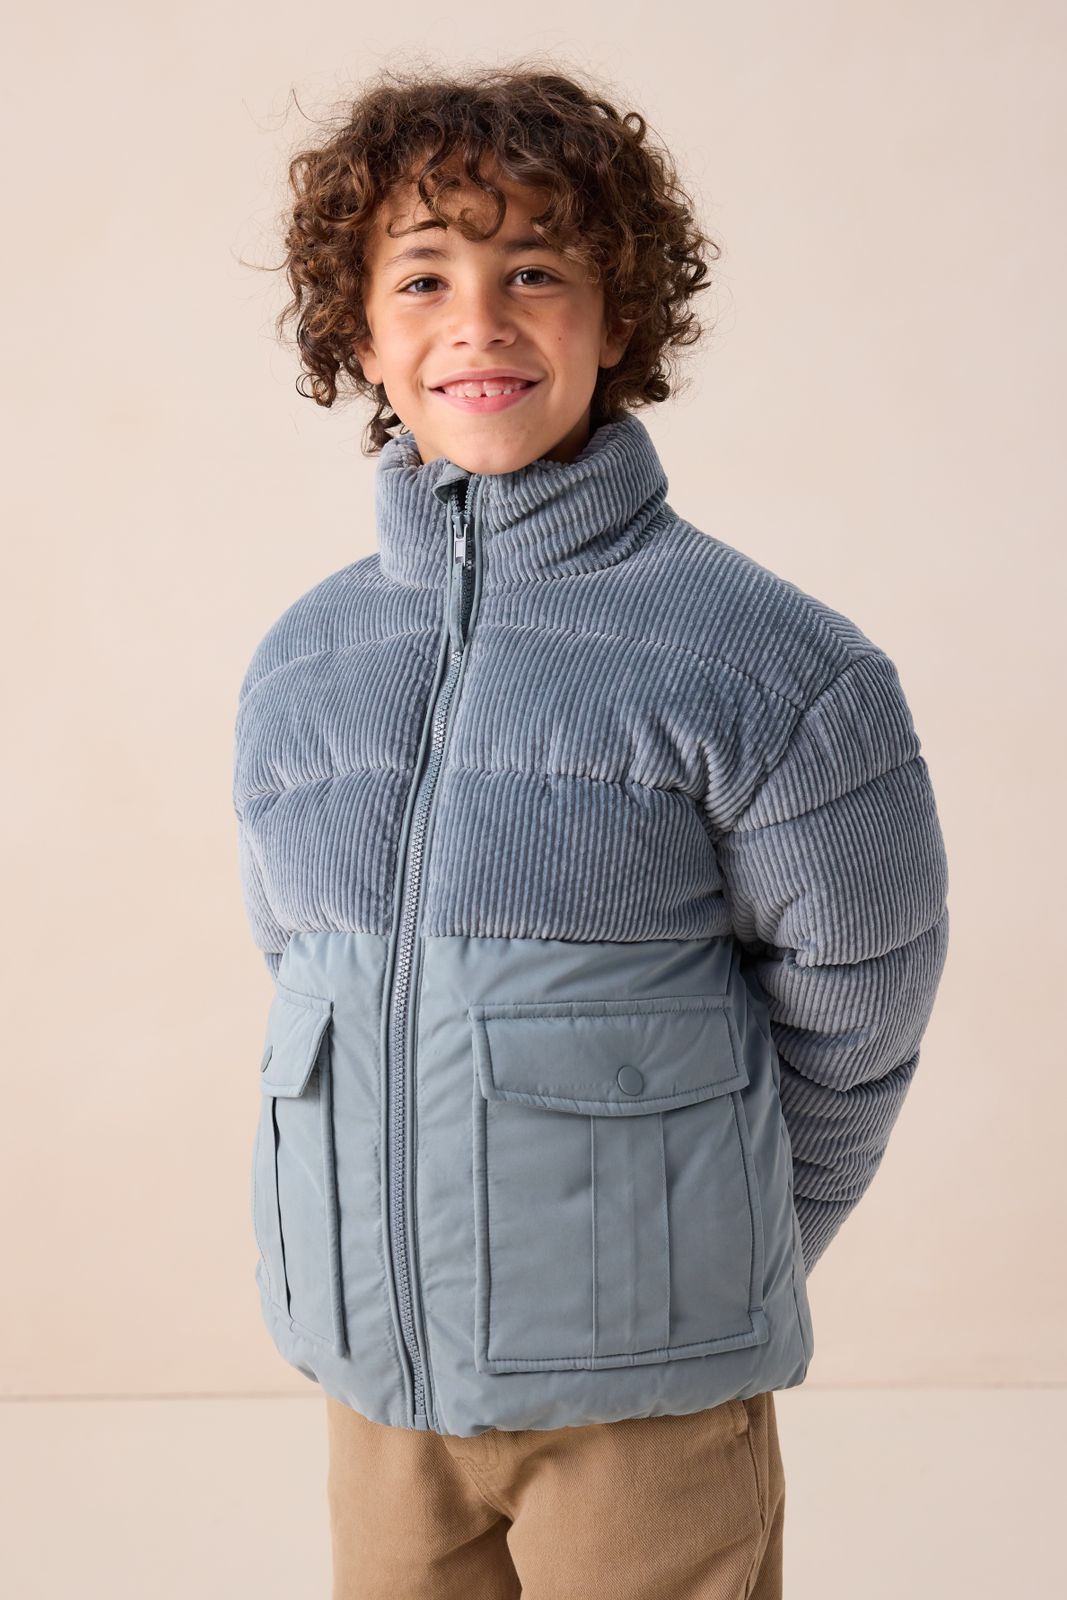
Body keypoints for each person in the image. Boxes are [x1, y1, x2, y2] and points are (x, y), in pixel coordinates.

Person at [232, 63, 950, 1600]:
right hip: (380, 1388)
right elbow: (311, 988)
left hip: (646, 1400)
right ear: (360, 331)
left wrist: (715, 1252)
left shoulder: (772, 663)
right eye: (425, 277)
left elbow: (862, 1006)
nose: (479, 322)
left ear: (619, 315)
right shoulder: (302, 667)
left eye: (536, 271)